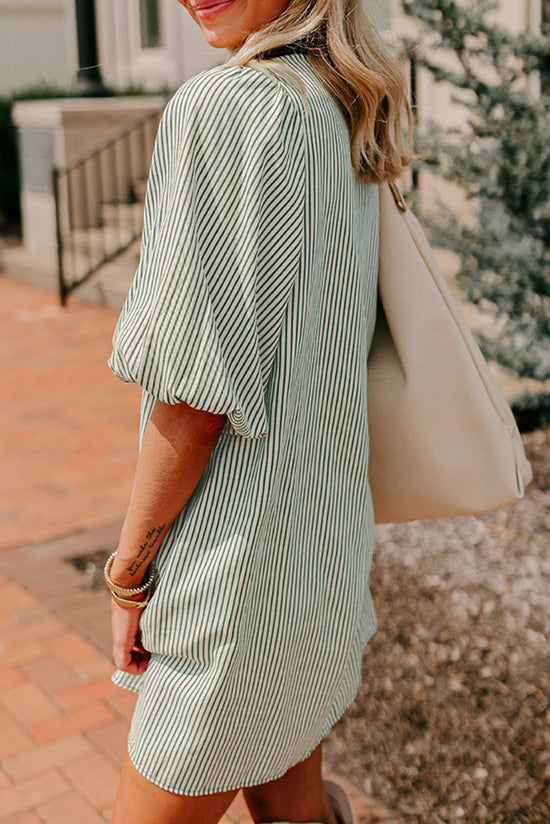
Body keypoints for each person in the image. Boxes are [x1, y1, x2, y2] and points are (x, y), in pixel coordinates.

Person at [105, 1, 413, 822]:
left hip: (230, 590)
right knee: (295, 810)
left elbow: (193, 403)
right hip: (316, 564)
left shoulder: (227, 108)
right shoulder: (344, 102)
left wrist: (129, 575)